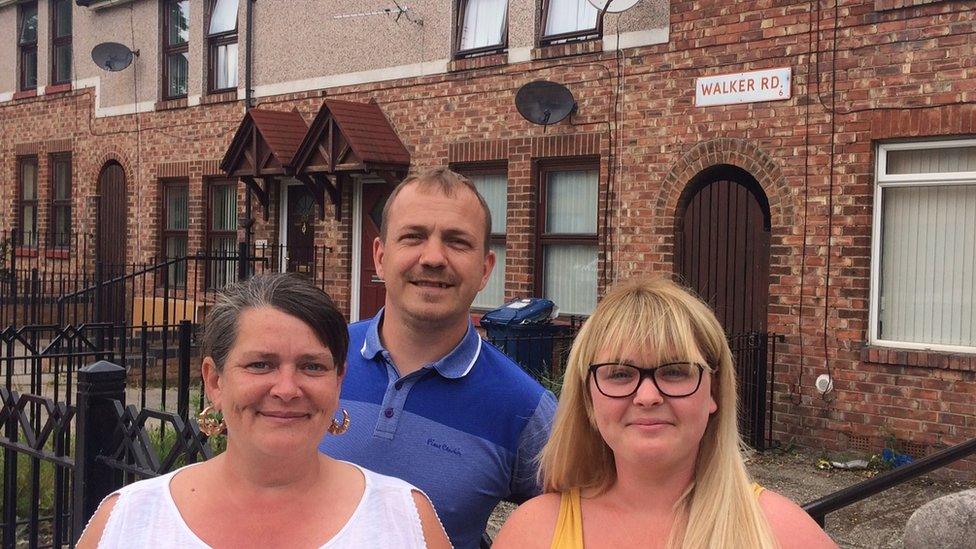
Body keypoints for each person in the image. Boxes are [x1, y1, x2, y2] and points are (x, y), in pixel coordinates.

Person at [78, 273, 450, 548]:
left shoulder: (405, 519)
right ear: (215, 381)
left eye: (312, 367)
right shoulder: (130, 521)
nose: (287, 389)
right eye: (260, 364)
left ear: (338, 382)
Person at [494, 277, 836, 549]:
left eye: (674, 371)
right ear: (588, 400)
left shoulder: (782, 534)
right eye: (619, 374)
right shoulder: (532, 533)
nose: (646, 396)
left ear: (714, 391)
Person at [319, 168, 557, 549]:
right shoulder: (318, 363)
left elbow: (581, 520)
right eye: (413, 237)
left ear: (485, 269)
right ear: (380, 256)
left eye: (457, 242)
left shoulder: (525, 410)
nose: (432, 257)